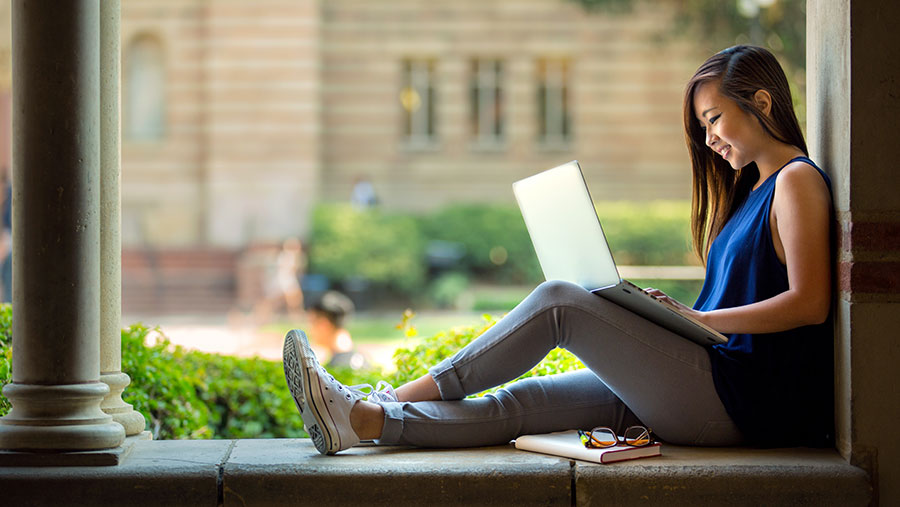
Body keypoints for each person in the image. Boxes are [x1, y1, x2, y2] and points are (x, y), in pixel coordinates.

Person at [283, 45, 834, 455]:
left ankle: (387, 393)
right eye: (703, 126)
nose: (709, 138)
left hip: (741, 402)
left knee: (560, 303)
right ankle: (363, 420)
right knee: (525, 406)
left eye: (714, 119)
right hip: (707, 383)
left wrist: (700, 317)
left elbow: (811, 303)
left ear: (760, 101)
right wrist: (664, 317)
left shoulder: (796, 181)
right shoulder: (752, 192)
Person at [307, 290, 370, 371]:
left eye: (311, 322)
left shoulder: (336, 369)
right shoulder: (362, 359)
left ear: (324, 323)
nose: (309, 329)